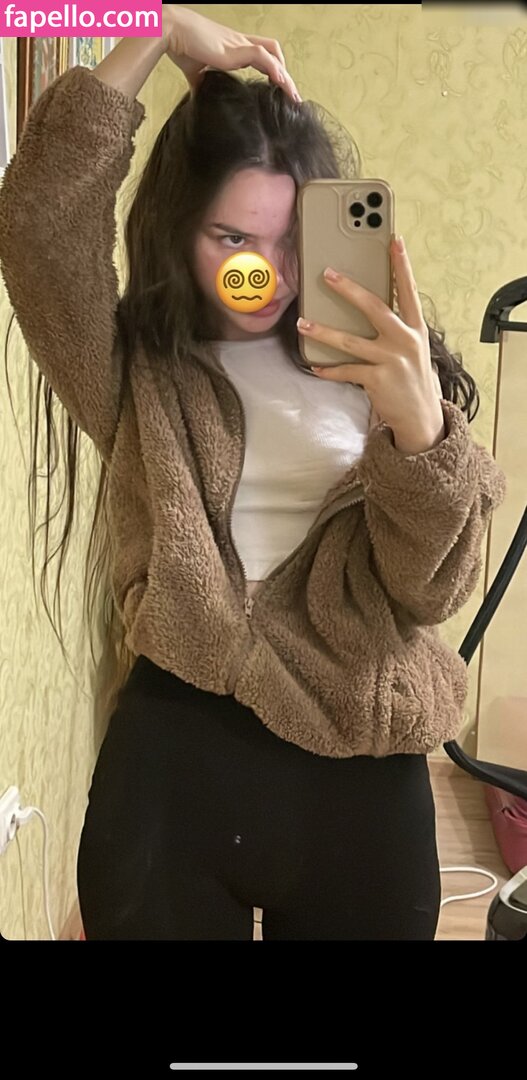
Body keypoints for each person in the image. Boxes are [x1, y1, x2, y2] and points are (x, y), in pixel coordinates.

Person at [0, 6, 506, 940]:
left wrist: (420, 432)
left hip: (360, 764)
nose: (261, 275)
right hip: (175, 765)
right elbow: (38, 226)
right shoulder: (137, 369)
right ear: (176, 229)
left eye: (286, 241)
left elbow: (428, 592)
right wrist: (156, 25)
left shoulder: (388, 365)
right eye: (230, 238)